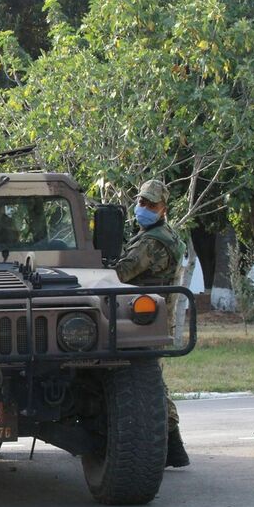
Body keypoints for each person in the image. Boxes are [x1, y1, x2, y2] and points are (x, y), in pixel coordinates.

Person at [112, 179, 190, 468]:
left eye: (150, 204)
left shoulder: (151, 241)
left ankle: (173, 447)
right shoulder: (164, 234)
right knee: (154, 381)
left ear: (163, 209)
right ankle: (174, 450)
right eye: (141, 202)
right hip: (153, 317)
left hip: (145, 320)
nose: (142, 208)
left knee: (152, 384)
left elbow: (122, 273)